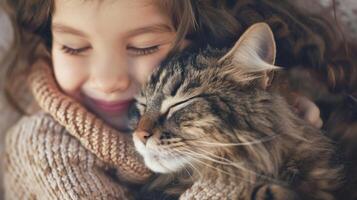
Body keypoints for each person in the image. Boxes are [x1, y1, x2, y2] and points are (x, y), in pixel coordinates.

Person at [1, 0, 339, 199]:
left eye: (143, 46)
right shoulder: (42, 146)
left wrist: (271, 109)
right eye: (74, 47)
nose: (108, 80)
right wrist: (254, 147)